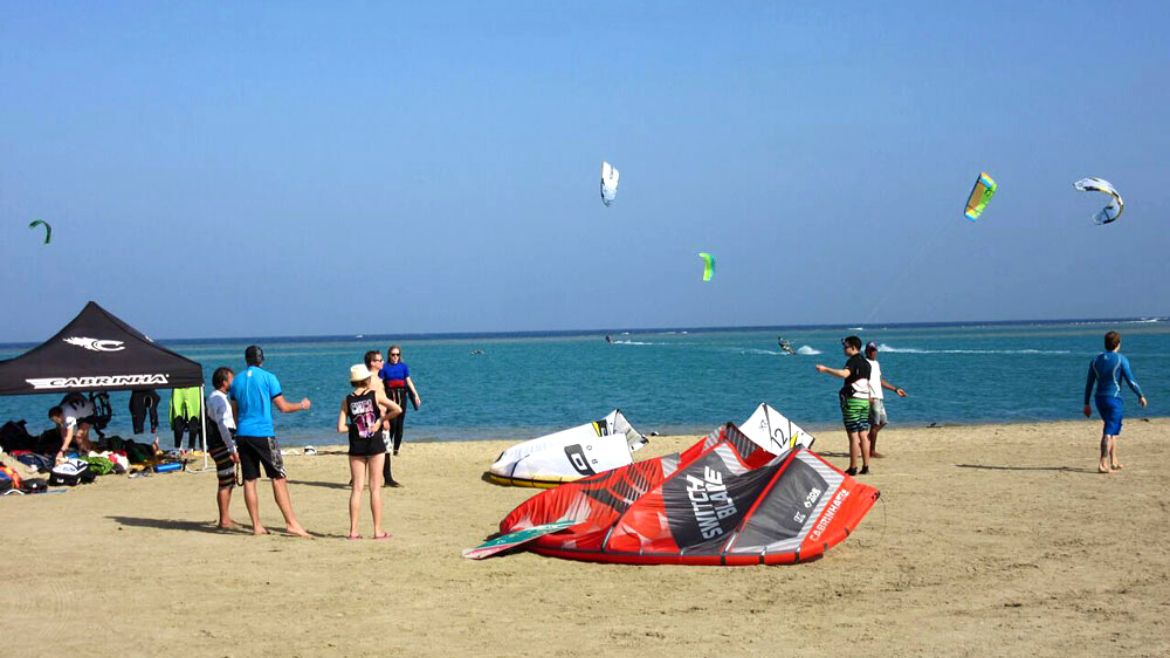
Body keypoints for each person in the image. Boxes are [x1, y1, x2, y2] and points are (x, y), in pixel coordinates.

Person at [228, 345, 312, 537]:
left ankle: (257, 525)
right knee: (278, 477)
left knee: (250, 480)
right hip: (263, 434)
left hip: (243, 433)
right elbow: (282, 407)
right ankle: (291, 523)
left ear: (246, 360)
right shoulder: (268, 377)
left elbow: (234, 411)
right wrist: (302, 405)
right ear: (261, 360)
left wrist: (239, 430)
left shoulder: (236, 381)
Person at [337, 364, 402, 540]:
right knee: (375, 488)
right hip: (374, 445)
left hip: (356, 446)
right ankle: (377, 530)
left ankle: (353, 531)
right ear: (367, 379)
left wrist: (355, 426)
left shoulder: (347, 400)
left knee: (357, 489)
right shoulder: (376, 395)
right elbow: (397, 409)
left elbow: (340, 427)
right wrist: (381, 420)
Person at [1084, 331, 1148, 474]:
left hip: (1099, 399)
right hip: (1113, 399)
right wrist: (1140, 395)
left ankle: (1114, 461)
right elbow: (1131, 380)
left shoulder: (1095, 360)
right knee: (1108, 431)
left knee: (1112, 429)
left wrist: (1086, 403)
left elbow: (1089, 384)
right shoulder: (1120, 359)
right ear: (1118, 344)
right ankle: (1102, 463)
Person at [815, 336, 872, 475]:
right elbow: (867, 383)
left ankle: (853, 468)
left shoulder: (852, 361)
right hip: (864, 401)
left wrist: (825, 369)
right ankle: (866, 466)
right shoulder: (867, 363)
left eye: (846, 346)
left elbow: (843, 374)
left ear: (853, 347)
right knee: (863, 434)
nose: (844, 349)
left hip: (852, 401)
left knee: (853, 436)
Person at [378, 344, 421, 486]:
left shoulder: (404, 366)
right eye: (392, 355)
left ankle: (396, 448)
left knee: (400, 425)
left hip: (402, 395)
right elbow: (381, 384)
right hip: (390, 396)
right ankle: (388, 447)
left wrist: (415, 395)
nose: (395, 357)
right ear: (389, 355)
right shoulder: (385, 368)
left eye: (397, 354)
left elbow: (408, 381)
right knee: (392, 423)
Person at [206, 367, 239, 529]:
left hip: (221, 443)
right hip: (221, 444)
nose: (233, 382)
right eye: (231, 379)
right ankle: (224, 519)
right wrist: (232, 449)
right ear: (224, 382)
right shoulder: (217, 399)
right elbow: (222, 425)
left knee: (228, 480)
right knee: (225, 480)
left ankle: (225, 516)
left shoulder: (219, 397)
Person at [863, 342, 907, 459]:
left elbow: (880, 381)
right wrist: (868, 396)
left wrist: (895, 389)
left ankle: (866, 441)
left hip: (879, 397)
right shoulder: (864, 364)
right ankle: (871, 451)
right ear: (867, 351)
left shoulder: (876, 364)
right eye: (871, 350)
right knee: (875, 424)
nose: (873, 352)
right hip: (872, 398)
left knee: (883, 422)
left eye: (874, 350)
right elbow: (862, 381)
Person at [49, 392, 97, 462]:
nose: (57, 422)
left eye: (56, 420)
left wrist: (61, 451)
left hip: (90, 413)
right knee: (70, 436)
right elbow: (63, 432)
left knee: (79, 436)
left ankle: (88, 451)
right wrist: (65, 448)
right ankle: (83, 449)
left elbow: (69, 434)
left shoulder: (68, 415)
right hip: (79, 413)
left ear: (60, 415)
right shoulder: (62, 413)